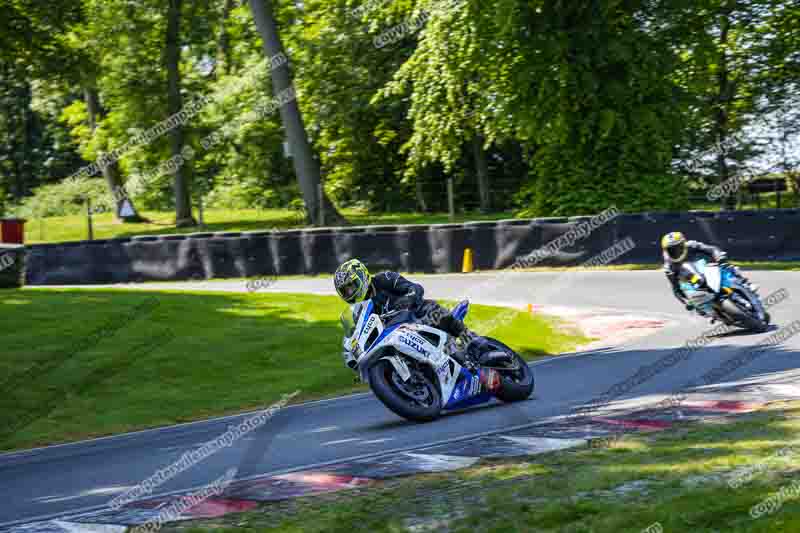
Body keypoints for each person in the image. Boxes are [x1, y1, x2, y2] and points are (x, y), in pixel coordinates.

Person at [333, 259, 480, 365]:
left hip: (416, 315)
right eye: (345, 291)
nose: (350, 292)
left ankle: (471, 339)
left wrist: (408, 298)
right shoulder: (358, 313)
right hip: (398, 335)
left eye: (351, 286)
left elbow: (415, 288)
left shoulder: (384, 279)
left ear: (362, 277)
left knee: (433, 312)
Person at [660, 232, 758, 316]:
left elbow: (711, 249)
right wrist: (685, 301)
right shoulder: (668, 266)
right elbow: (675, 287)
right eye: (672, 250)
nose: (676, 252)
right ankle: (709, 311)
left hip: (707, 269)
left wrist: (719, 257)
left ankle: (744, 282)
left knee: (726, 266)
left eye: (678, 248)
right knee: (696, 306)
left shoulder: (692, 245)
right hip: (693, 283)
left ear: (684, 244)